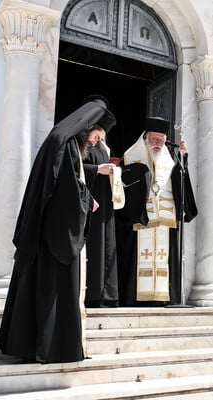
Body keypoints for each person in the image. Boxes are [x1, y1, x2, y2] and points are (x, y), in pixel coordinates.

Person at [0, 98, 116, 363]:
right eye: (96, 138)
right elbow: (65, 190)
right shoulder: (67, 144)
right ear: (89, 126)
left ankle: (32, 346)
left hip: (46, 230)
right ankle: (52, 348)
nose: (95, 143)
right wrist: (86, 200)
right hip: (56, 236)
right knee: (55, 288)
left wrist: (86, 196)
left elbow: (69, 182)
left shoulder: (62, 139)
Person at [116, 117, 198, 306]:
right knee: (138, 259)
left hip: (165, 219)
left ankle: (163, 299)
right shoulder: (131, 157)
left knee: (164, 259)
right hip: (141, 218)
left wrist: (183, 158)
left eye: (161, 140)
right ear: (146, 137)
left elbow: (179, 183)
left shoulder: (170, 159)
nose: (158, 144)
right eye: (154, 139)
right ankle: (134, 299)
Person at [81, 96, 119, 308]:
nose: (95, 141)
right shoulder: (80, 143)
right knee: (93, 248)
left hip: (106, 204)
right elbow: (74, 169)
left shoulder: (104, 147)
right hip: (90, 201)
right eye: (95, 136)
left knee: (107, 247)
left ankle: (107, 294)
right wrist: (97, 169)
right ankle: (92, 293)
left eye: (99, 138)